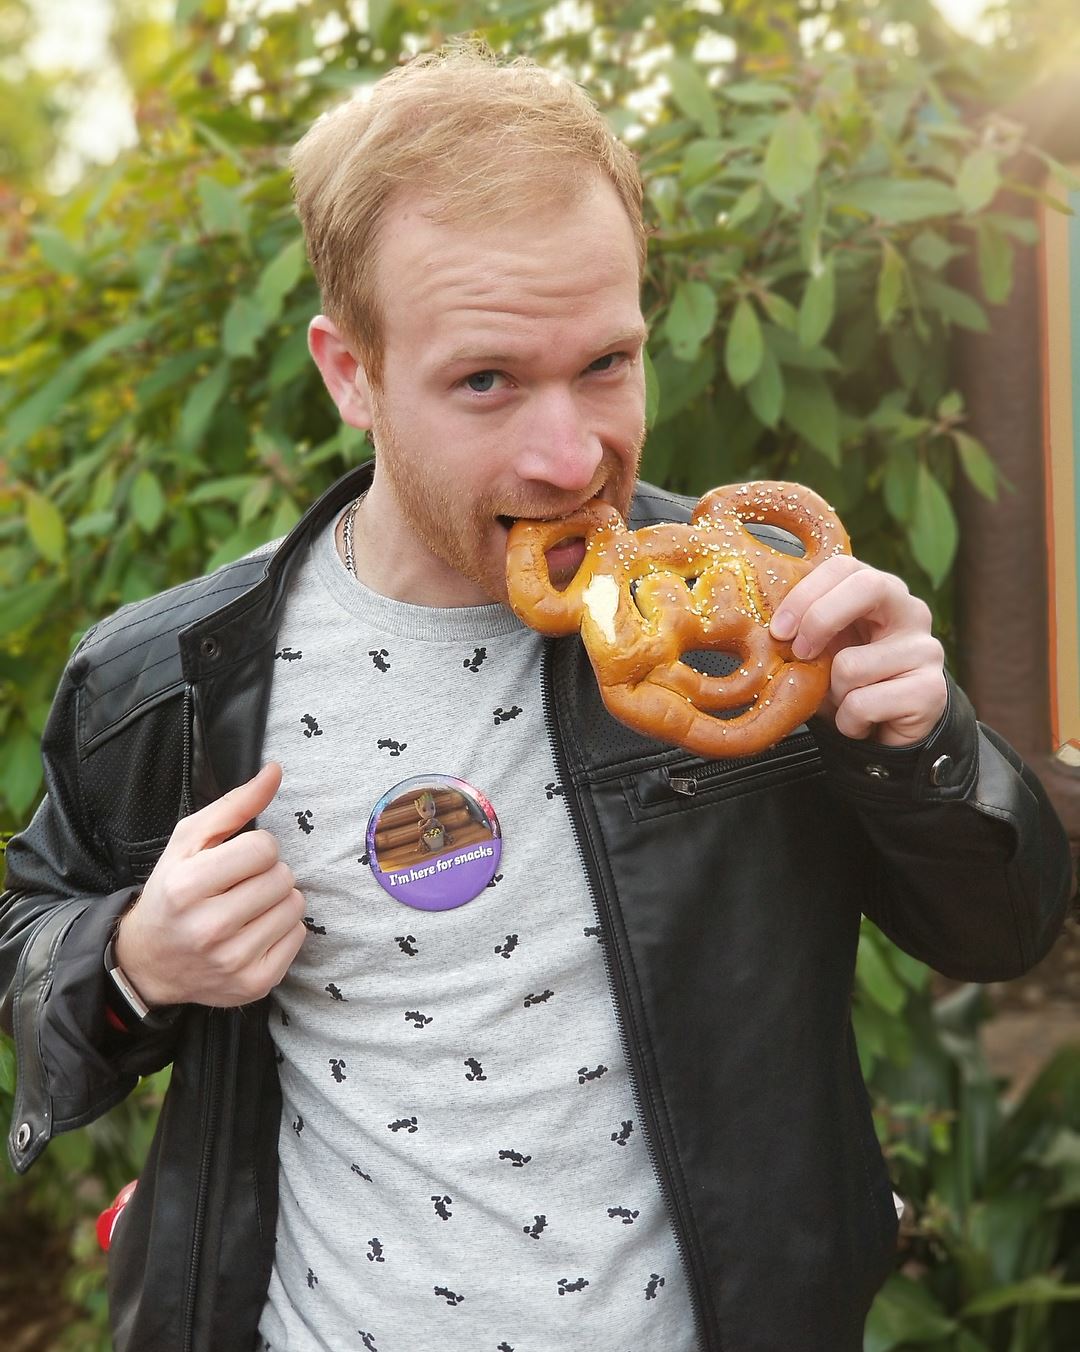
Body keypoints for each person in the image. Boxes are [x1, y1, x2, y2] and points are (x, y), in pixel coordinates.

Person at [0, 42, 1072, 1352]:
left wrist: (927, 747)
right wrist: (135, 958)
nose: (571, 459)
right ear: (351, 374)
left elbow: (1004, 932)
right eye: (487, 381)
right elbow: (27, 937)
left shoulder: (758, 614)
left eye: (609, 364)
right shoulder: (169, 680)